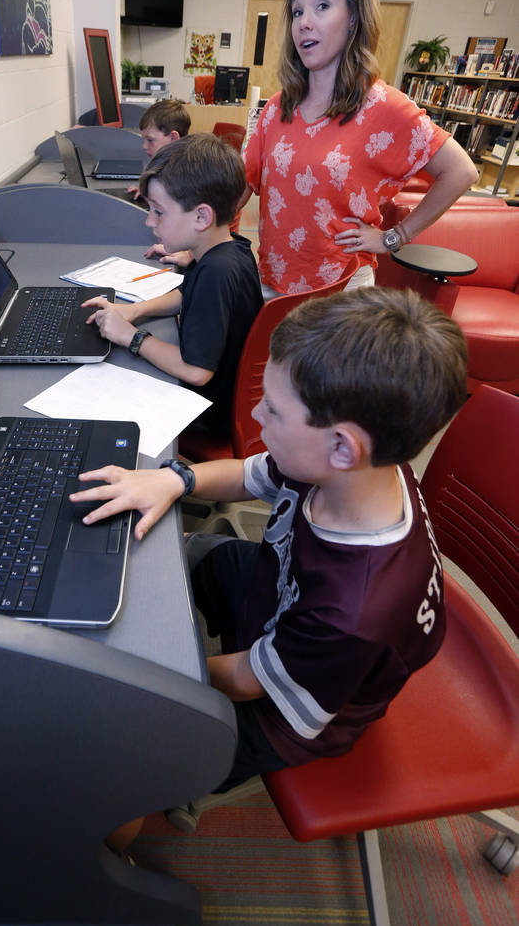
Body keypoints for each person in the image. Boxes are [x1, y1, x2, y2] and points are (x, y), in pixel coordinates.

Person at [71, 286, 468, 845]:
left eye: (274, 410)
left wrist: (138, 674)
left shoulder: (351, 611)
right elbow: (246, 475)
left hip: (285, 705)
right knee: (182, 560)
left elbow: (248, 680)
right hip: (277, 592)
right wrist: (174, 478)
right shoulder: (351, 468)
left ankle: (117, 859)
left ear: (341, 448)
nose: (255, 413)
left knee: (121, 750)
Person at [147, 0, 478, 293]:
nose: (304, 22)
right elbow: (240, 189)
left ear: (353, 17)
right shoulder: (277, 109)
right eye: (297, 11)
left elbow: (461, 172)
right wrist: (197, 245)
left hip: (341, 294)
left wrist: (396, 237)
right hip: (272, 282)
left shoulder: (384, 107)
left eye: (322, 6)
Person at [82, 133, 263, 436]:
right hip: (227, 400)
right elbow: (186, 294)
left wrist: (131, 337)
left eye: (159, 211)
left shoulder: (216, 273)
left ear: (201, 216)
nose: (149, 222)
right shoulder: (231, 249)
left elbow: (196, 371)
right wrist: (134, 311)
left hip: (207, 413)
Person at [126, 98, 191, 202]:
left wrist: (152, 199)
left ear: (173, 138)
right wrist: (146, 193)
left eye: (150, 140)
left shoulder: (185, 174)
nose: (144, 146)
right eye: (144, 139)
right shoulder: (164, 164)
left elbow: (174, 206)